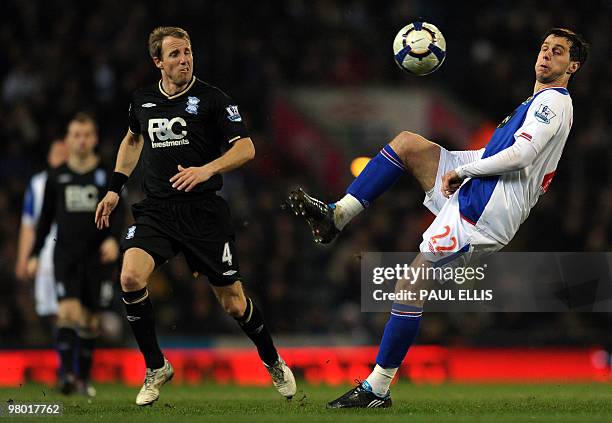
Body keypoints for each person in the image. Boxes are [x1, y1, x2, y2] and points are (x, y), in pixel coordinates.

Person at [287, 28, 589, 408]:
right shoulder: (537, 100)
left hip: (485, 213)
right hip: (481, 190)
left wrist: (464, 172)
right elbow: (507, 153)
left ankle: (377, 388)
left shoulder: (554, 104)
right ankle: (338, 215)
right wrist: (465, 162)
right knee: (409, 144)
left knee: (411, 285)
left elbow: (522, 157)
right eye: (545, 47)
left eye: (558, 52)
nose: (546, 55)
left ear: (572, 66)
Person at [95, 26, 296, 406]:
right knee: (129, 277)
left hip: (203, 215)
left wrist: (208, 169)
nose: (184, 59)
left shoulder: (213, 99)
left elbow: (247, 148)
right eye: (175, 54)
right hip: (157, 210)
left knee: (233, 304)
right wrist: (114, 187)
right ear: (158, 62)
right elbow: (133, 139)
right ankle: (156, 367)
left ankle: (271, 359)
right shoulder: (142, 100)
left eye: (187, 52)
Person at [28, 113, 122, 397]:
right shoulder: (57, 177)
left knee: (90, 321)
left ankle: (82, 378)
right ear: (68, 140)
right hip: (66, 255)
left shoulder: (107, 175)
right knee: (67, 312)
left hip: (97, 258)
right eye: (76, 135)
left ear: (94, 139)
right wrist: (33, 254)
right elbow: (44, 221)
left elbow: (119, 213)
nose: (81, 140)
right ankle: (66, 376)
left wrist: (114, 241)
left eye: (86, 135)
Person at [16, 140, 67, 325]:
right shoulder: (37, 184)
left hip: (74, 252)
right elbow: (28, 224)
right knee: (52, 311)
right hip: (46, 255)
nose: (61, 157)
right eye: (57, 153)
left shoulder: (82, 179)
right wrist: (23, 258)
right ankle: (62, 351)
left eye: (65, 153)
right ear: (49, 157)